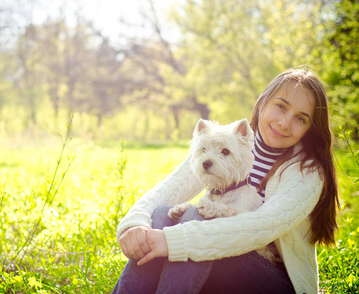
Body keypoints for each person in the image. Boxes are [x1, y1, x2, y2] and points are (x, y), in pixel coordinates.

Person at [112, 68, 339, 294]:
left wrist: (174, 241)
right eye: (281, 106)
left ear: (310, 128)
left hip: (272, 280)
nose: (284, 123)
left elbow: (262, 227)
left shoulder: (306, 171)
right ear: (263, 102)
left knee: (197, 216)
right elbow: (171, 187)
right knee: (162, 213)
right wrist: (135, 223)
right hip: (220, 265)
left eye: (300, 118)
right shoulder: (225, 140)